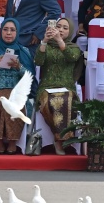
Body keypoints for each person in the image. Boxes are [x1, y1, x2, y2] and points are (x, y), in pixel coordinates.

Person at [0, 18, 34, 154]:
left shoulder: (23, 50)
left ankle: (12, 141)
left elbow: (29, 76)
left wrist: (19, 67)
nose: (8, 33)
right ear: (1, 31)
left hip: (16, 88)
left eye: (12, 30)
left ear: (17, 32)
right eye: (5, 29)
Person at [34, 18, 83, 155]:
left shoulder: (74, 48)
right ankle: (61, 140)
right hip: (47, 87)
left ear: (70, 31)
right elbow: (38, 61)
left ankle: (59, 140)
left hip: (67, 87)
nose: (61, 30)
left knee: (65, 99)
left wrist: (59, 40)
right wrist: (44, 40)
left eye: (65, 28)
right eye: (58, 26)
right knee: (50, 101)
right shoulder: (47, 45)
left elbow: (72, 57)